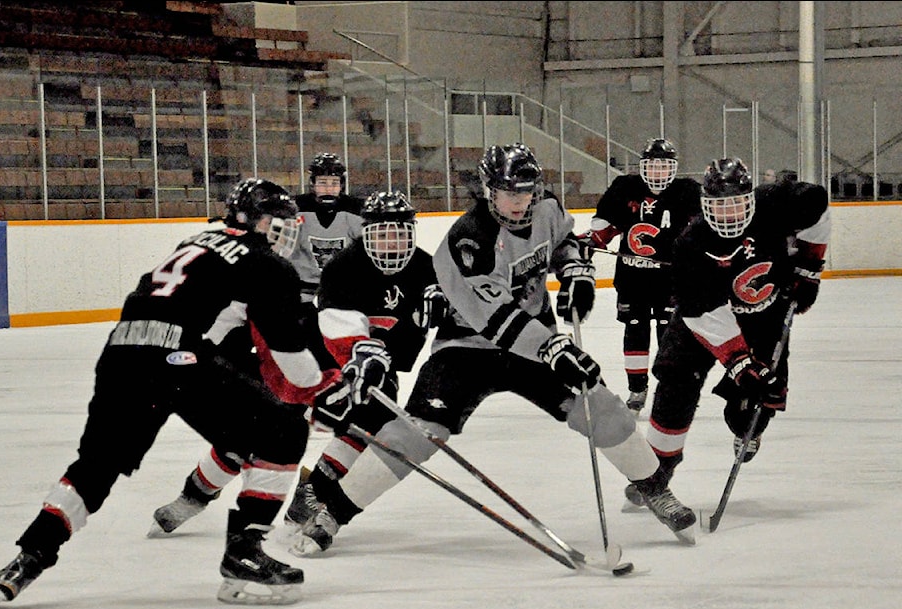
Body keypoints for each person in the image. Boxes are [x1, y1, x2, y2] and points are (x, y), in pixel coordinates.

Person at [0, 178, 352, 609]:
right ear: (255, 221)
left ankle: (24, 562)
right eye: (276, 220)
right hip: (175, 359)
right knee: (283, 433)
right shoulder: (266, 263)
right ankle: (244, 553)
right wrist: (325, 388)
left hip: (121, 353)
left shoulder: (200, 239)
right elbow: (291, 358)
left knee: (97, 464)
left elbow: (213, 321)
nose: (283, 229)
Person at [291, 142, 698, 556]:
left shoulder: (547, 208)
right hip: (467, 348)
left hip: (536, 344)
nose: (519, 201)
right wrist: (555, 348)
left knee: (600, 407)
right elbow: (498, 321)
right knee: (416, 433)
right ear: (489, 189)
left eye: (526, 191)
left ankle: (656, 490)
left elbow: (561, 241)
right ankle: (333, 513)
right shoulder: (469, 241)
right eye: (509, 192)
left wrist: (573, 268)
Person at [147, 190, 446, 538]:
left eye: (398, 232)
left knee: (373, 422)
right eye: (382, 232)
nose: (391, 241)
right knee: (258, 430)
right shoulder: (343, 267)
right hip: (325, 361)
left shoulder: (428, 270)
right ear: (365, 232)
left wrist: (446, 300)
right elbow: (336, 329)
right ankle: (193, 496)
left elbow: (450, 321)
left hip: (379, 367)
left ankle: (313, 490)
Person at [622, 157, 829, 511]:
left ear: (750, 197)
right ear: (705, 204)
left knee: (752, 406)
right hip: (702, 323)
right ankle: (656, 473)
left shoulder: (776, 203)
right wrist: (737, 361)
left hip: (764, 319)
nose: (729, 213)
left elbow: (818, 202)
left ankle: (749, 426)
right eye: (720, 205)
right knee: (675, 383)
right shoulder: (692, 242)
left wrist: (809, 268)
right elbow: (701, 311)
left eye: (735, 203)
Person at [578, 138, 701, 413]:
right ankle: (637, 389)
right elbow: (604, 229)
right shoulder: (625, 187)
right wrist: (589, 243)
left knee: (668, 333)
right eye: (653, 166)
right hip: (632, 279)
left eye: (664, 166)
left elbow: (701, 234)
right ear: (643, 167)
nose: (658, 173)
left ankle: (667, 389)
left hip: (671, 280)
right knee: (635, 328)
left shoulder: (688, 192)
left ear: (674, 168)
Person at [292, 152, 366, 304]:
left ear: (342, 185)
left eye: (334, 183)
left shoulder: (355, 209)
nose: (328, 189)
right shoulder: (296, 208)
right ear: (313, 184)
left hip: (341, 285)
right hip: (303, 286)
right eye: (323, 183)